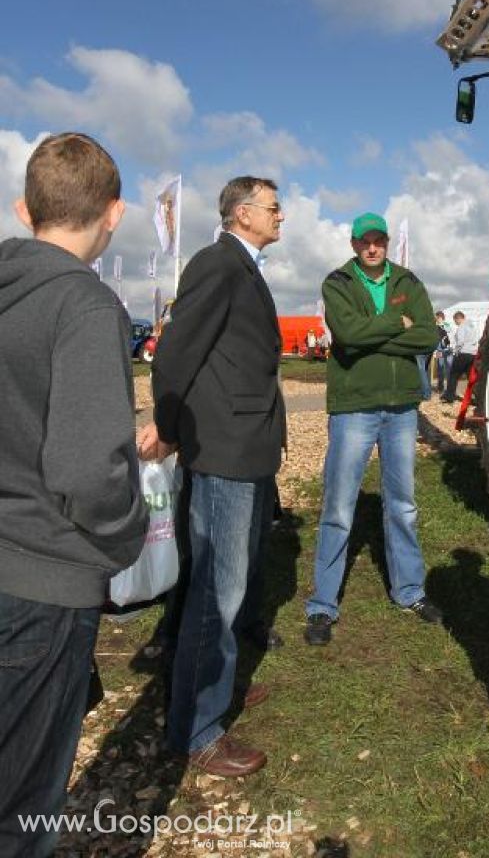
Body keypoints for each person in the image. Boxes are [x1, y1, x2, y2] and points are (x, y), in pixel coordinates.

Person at [0, 133, 148, 856]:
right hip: (42, 583)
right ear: (114, 214)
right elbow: (88, 472)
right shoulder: (85, 306)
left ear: (24, 209)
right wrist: (126, 537)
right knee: (22, 806)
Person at [141, 177, 286, 777]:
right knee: (216, 595)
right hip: (223, 451)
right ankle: (197, 727)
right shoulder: (218, 264)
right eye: (275, 207)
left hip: (243, 448)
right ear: (243, 212)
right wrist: (170, 428)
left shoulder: (243, 267)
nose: (283, 217)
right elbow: (176, 355)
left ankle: (212, 688)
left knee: (225, 583)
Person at [304, 212, 442, 645]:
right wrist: (392, 326)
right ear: (353, 244)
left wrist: (371, 335)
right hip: (354, 408)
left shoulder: (408, 281)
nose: (372, 247)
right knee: (339, 506)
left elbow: (428, 336)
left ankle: (410, 591)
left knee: (402, 504)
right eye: (365, 241)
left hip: (401, 409)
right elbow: (344, 334)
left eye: (379, 240)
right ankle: (323, 606)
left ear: (385, 242)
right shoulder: (337, 282)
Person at [441, 310, 478, 403]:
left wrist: (455, 351)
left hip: (463, 353)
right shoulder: (472, 326)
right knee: (471, 376)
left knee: (454, 375)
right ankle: (477, 397)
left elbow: (460, 341)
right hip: (472, 354)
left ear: (458, 318)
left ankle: (449, 396)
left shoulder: (462, 327)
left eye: (455, 321)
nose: (455, 323)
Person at [432, 310, 453, 394]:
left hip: (447, 349)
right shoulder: (434, 326)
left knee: (449, 368)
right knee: (440, 368)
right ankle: (440, 387)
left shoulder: (446, 325)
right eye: (436, 318)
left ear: (441, 317)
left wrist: (442, 325)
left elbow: (450, 333)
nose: (437, 319)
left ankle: (449, 388)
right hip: (439, 349)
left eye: (438, 317)